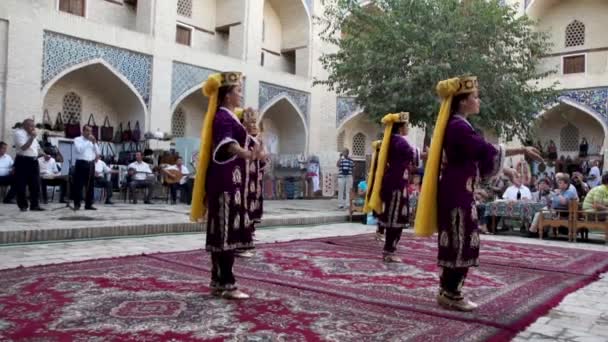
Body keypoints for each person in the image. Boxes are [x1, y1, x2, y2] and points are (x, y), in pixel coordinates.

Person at [414, 76, 542, 312]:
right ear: (463, 102)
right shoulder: (458, 126)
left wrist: (506, 168)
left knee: (458, 239)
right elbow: (484, 150)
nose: (478, 100)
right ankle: (451, 293)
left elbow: (474, 156)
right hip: (456, 193)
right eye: (474, 96)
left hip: (459, 190)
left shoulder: (458, 125)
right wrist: (521, 149)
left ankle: (447, 290)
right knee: (460, 240)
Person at [190, 71, 260, 300]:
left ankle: (219, 282)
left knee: (224, 231)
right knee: (225, 232)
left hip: (232, 182)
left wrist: (254, 148)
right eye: (238, 91)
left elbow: (244, 140)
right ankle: (227, 284)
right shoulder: (222, 117)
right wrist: (246, 153)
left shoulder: (229, 116)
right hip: (225, 183)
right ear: (228, 95)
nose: (241, 95)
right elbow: (226, 145)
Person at [364, 112, 414, 263]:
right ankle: (389, 252)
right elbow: (412, 155)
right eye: (406, 125)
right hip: (397, 183)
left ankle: (387, 245)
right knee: (395, 218)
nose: (408, 128)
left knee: (390, 216)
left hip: (392, 181)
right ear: (400, 128)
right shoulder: (400, 142)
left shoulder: (389, 141)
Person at [13, 119, 44, 211]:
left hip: (34, 161)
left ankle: (34, 205)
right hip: (23, 161)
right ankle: (23, 205)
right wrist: (32, 138)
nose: (33, 128)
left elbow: (37, 148)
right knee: (21, 184)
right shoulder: (18, 134)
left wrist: (45, 154)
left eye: (34, 126)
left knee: (35, 184)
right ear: (24, 126)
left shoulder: (33, 135)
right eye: (31, 126)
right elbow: (24, 147)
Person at [73, 125, 100, 210]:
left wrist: (95, 143)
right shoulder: (77, 139)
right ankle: (77, 204)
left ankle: (88, 204)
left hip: (91, 164)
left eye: (91, 131)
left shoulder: (92, 142)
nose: (89, 133)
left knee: (90, 185)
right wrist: (88, 141)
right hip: (81, 163)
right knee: (79, 185)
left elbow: (98, 153)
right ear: (83, 131)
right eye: (87, 131)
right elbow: (79, 150)